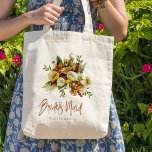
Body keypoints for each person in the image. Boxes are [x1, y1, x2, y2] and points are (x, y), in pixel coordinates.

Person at [1, 0, 128, 151]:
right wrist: (29, 17)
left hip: (84, 91)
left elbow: (120, 32)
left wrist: (101, 2)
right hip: (38, 85)